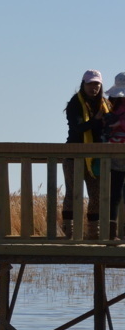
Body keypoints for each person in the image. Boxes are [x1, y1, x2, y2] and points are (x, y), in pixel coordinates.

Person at [62, 70, 109, 238]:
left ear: (101, 85)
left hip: (96, 156)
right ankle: (70, 233)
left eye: (96, 84)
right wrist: (96, 120)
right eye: (90, 83)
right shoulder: (75, 103)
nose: (93, 87)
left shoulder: (104, 104)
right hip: (73, 154)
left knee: (96, 194)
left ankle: (93, 233)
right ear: (83, 84)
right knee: (73, 193)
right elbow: (78, 128)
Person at [102, 74, 125, 240]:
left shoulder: (112, 104)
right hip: (115, 153)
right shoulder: (110, 105)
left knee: (116, 193)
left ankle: (114, 232)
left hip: (115, 151)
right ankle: (112, 232)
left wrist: (119, 124)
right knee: (115, 194)